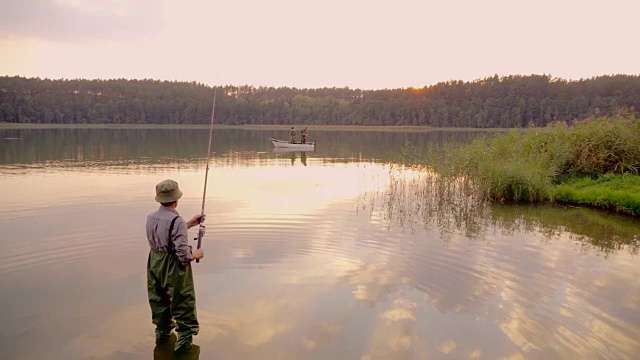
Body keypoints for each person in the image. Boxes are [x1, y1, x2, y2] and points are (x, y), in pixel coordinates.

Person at [146, 179, 205, 354]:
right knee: (182, 302)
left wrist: (190, 224)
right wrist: (196, 254)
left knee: (159, 299)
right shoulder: (176, 221)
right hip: (173, 265)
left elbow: (165, 234)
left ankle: (162, 336)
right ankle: (184, 345)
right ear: (176, 199)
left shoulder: (151, 217)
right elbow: (183, 256)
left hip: (154, 261)